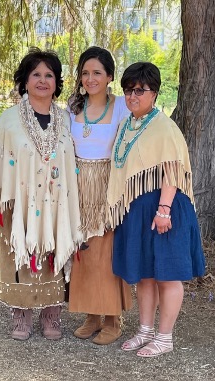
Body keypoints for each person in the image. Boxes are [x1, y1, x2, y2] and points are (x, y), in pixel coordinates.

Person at [0, 47, 82, 341]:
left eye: (49, 75)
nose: (42, 80)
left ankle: (52, 314)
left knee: (52, 255)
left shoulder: (66, 121)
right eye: (35, 74)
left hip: (56, 202)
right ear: (25, 81)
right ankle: (21, 316)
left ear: (56, 82)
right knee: (18, 256)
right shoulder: (9, 120)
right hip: (18, 201)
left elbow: (70, 161)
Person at [107, 62, 206, 357]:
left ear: (154, 92)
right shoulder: (129, 125)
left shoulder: (164, 126)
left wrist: (163, 209)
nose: (132, 96)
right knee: (146, 274)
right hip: (139, 209)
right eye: (128, 90)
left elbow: (172, 170)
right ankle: (145, 331)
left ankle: (164, 337)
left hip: (166, 208)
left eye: (140, 90)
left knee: (168, 274)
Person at [67, 46, 132, 346]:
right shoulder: (73, 108)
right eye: (85, 73)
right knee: (84, 252)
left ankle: (112, 319)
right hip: (79, 186)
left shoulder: (121, 107)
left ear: (109, 76)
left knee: (106, 253)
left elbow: (132, 146)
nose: (90, 78)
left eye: (97, 73)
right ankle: (91, 315)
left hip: (107, 186)